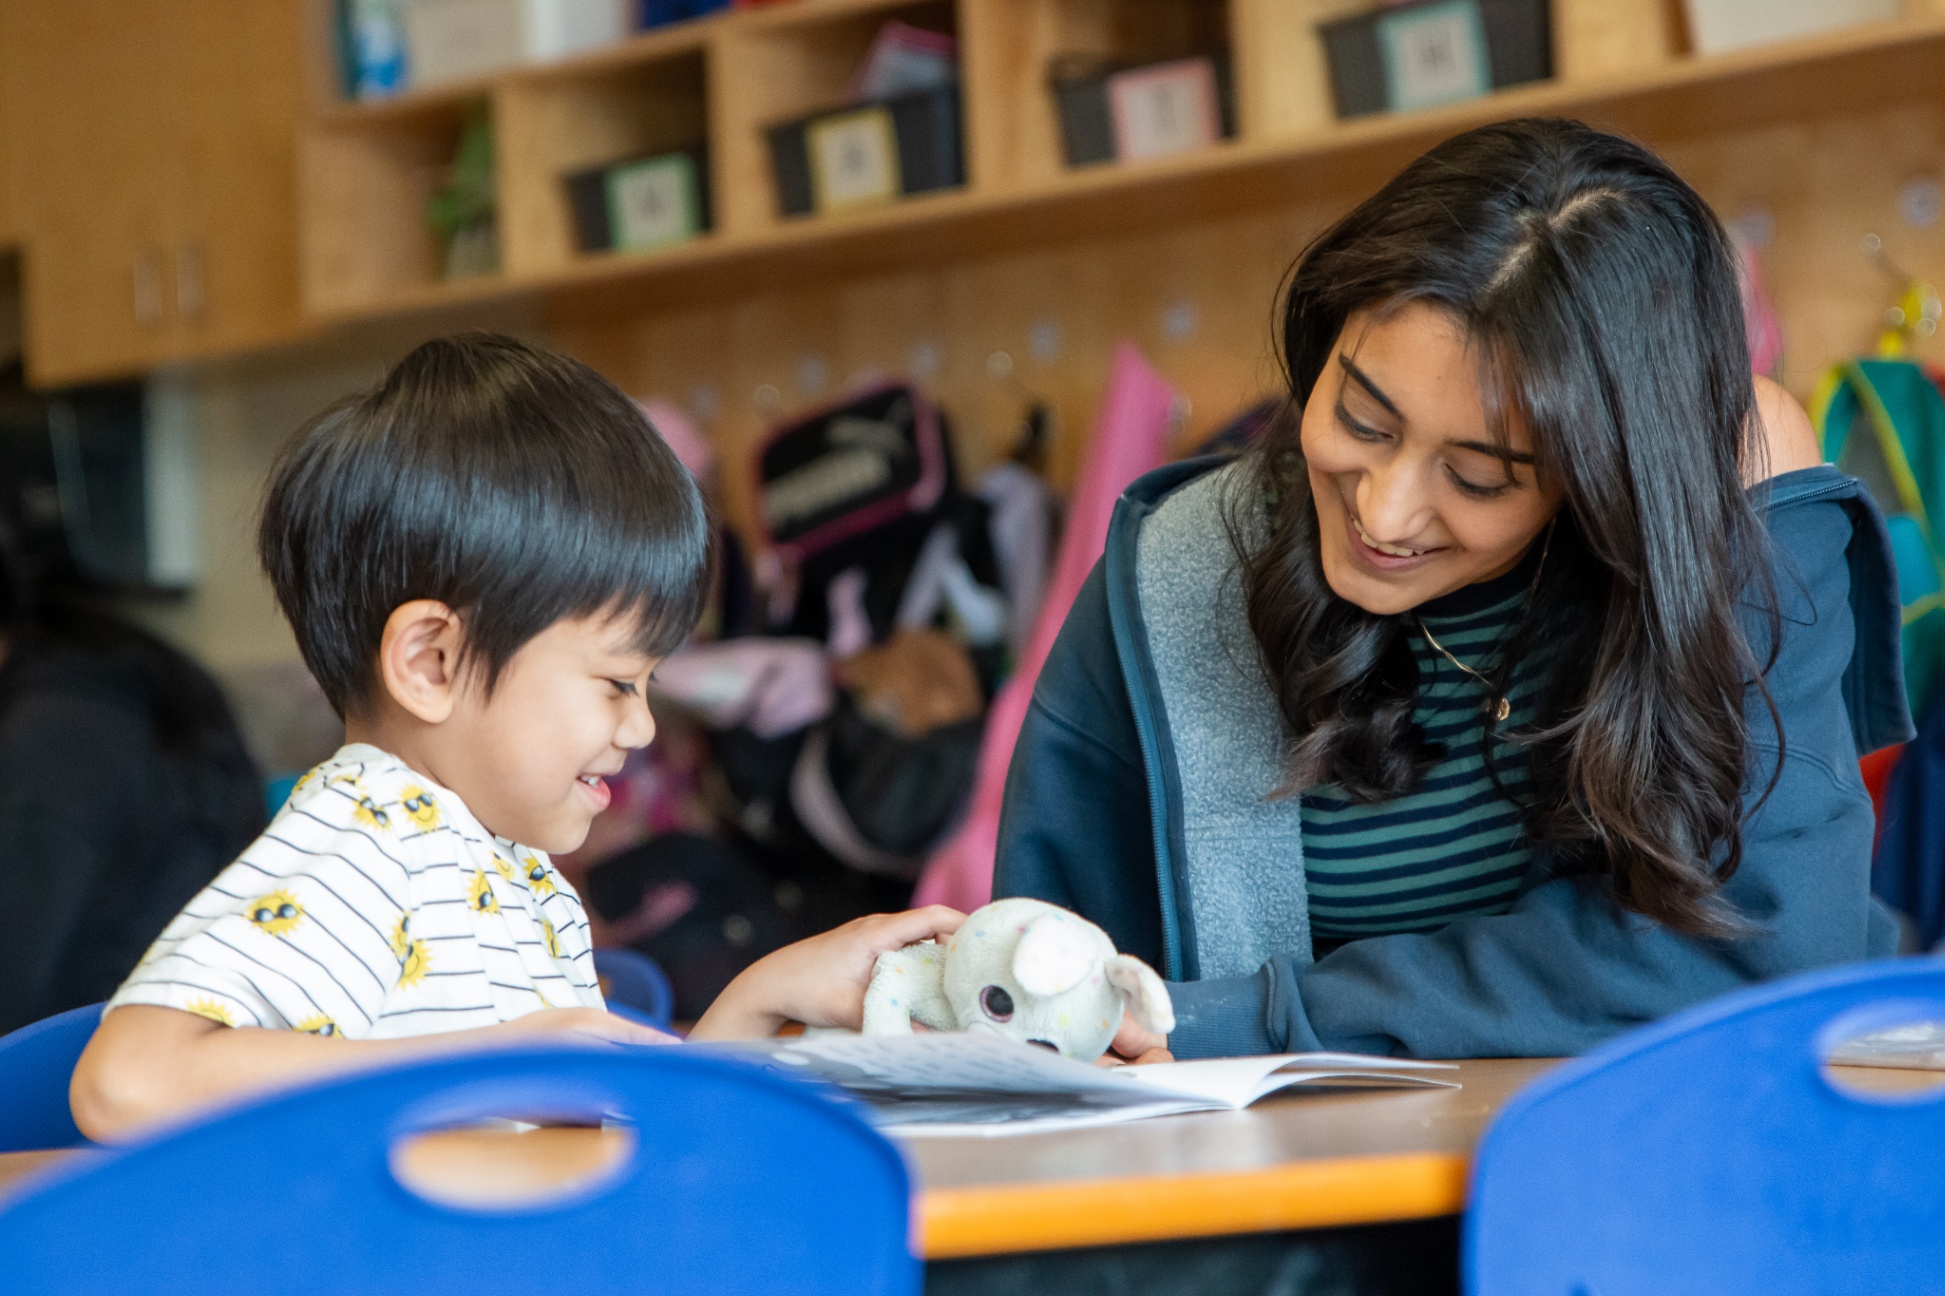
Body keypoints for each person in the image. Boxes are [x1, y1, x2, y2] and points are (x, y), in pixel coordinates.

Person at [995, 118, 1913, 1061]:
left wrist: (1260, 1020)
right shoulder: (1176, 574)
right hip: (1317, 1193)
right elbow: (1049, 1011)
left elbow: (1762, 953)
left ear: (1602, 476)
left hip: (1678, 1167)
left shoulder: (1719, 505)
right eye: (1361, 416)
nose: (1385, 515)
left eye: (1478, 478)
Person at [71, 333, 961, 1141]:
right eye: (616, 682)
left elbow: (599, 1130)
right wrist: (493, 1066)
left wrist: (767, 996)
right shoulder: (368, 845)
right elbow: (127, 1083)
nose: (642, 725)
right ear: (431, 661)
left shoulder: (504, 867)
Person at [0, 544, 264, 1034]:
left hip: (83, 1062)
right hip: (187, 1036)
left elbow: (13, 970)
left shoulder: (56, 734)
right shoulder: (125, 672)